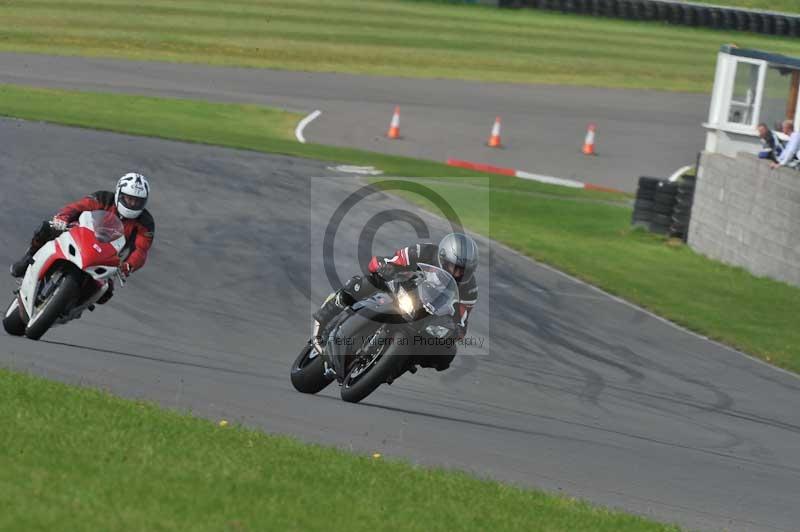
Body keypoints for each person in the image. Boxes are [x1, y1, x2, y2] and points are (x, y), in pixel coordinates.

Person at [312, 232, 479, 371]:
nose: (458, 274)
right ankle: (331, 309)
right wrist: (385, 267)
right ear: (442, 257)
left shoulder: (470, 289)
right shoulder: (424, 251)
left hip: (427, 315)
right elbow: (389, 260)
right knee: (368, 281)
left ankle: (402, 363)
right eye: (453, 267)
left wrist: (455, 332)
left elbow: (461, 320)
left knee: (447, 353)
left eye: (463, 270)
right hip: (402, 290)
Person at [10, 173, 155, 304]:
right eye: (129, 199)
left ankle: (72, 305)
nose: (132, 204)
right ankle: (27, 259)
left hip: (110, 257)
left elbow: (141, 250)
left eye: (137, 201)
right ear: (119, 193)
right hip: (81, 235)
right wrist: (62, 218)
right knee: (46, 228)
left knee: (106, 293)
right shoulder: (103, 198)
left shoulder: (146, 223)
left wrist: (128, 266)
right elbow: (77, 207)